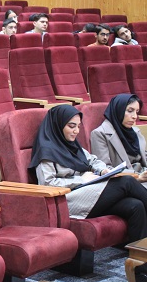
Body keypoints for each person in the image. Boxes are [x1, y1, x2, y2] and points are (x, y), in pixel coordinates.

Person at [30, 105, 147, 250]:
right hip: (68, 201)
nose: (76, 131)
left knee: (135, 205)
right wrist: (82, 180)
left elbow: (93, 160)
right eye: (71, 126)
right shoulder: (46, 151)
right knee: (127, 182)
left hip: (89, 195)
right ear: (58, 125)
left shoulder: (72, 145)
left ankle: (140, 258)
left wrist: (103, 170)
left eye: (78, 126)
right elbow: (47, 183)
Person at [91, 94, 147, 181]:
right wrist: (137, 177)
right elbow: (105, 169)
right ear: (118, 110)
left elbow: (144, 158)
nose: (135, 116)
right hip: (125, 182)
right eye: (130, 111)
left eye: (136, 112)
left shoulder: (136, 132)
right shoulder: (99, 134)